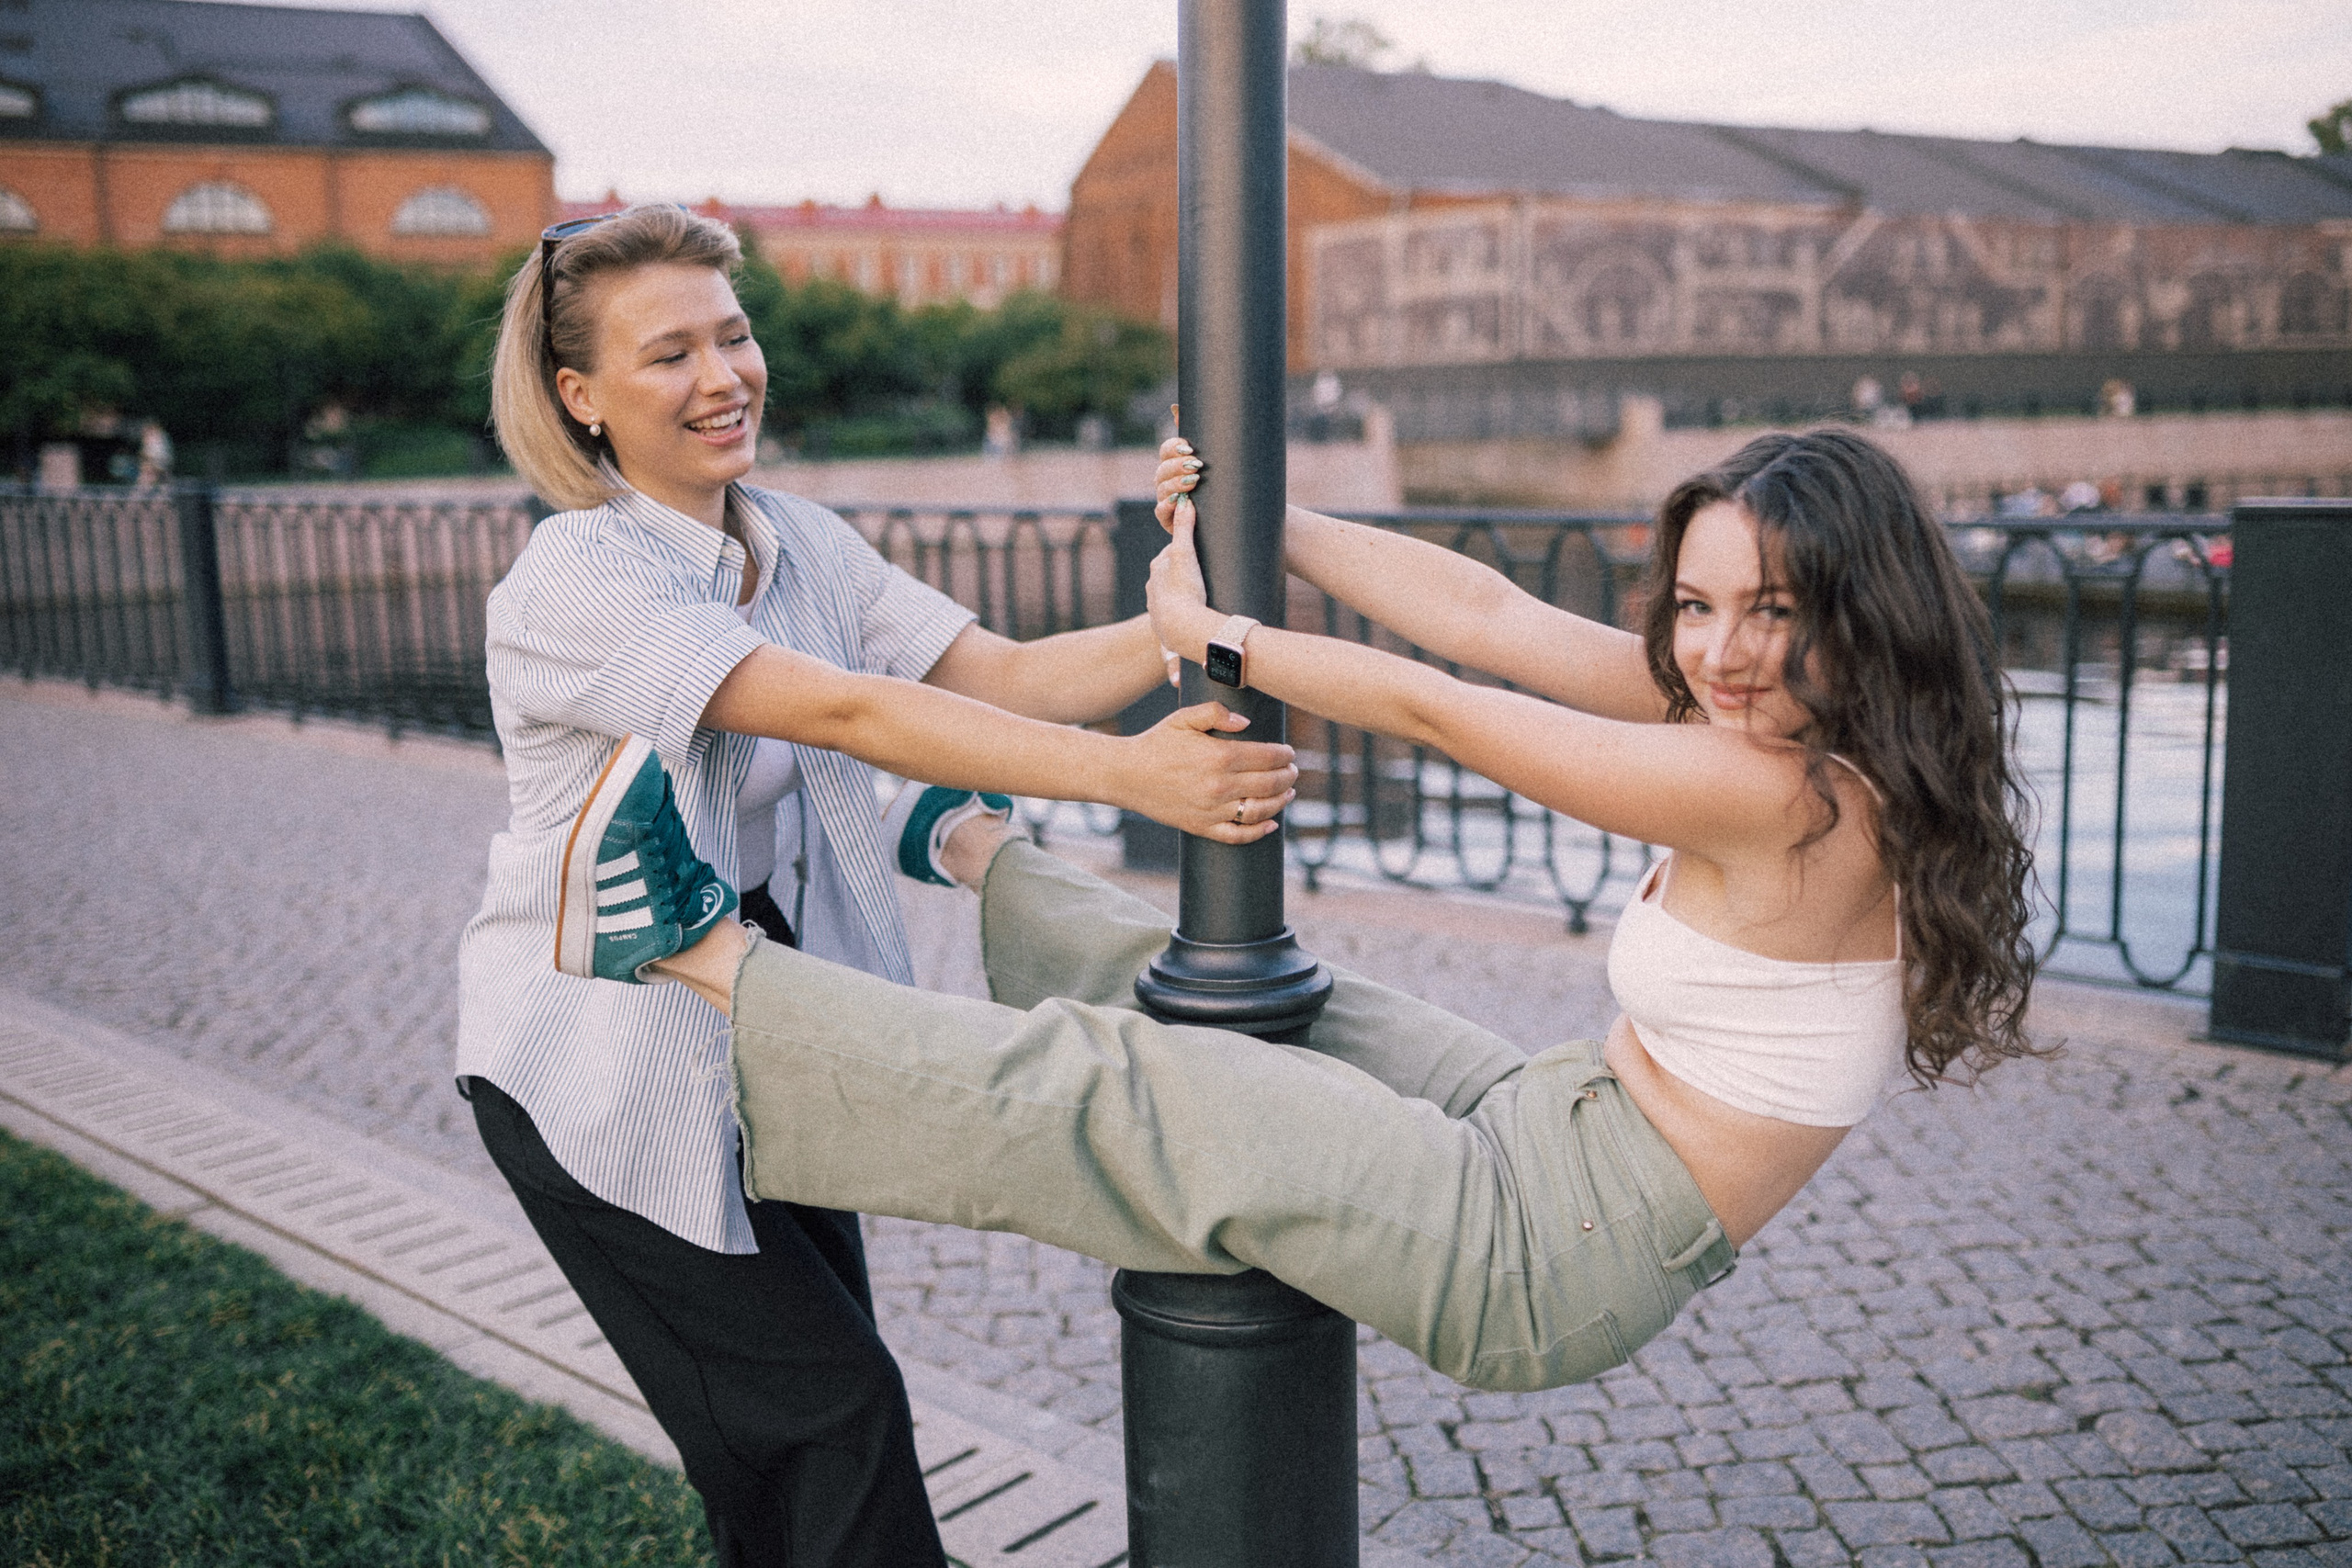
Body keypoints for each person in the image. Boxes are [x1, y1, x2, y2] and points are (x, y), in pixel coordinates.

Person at [555, 424, 2040, 1395]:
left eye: (1769, 609)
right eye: (1697, 603)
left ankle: (699, 955)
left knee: (1150, 1092)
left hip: (1555, 1248)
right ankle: (980, 855)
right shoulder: (1783, 722)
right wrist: (1278, 515)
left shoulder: (1802, 804)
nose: (1716, 648)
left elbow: (1443, 710)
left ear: (1862, 606)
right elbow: (1492, 620)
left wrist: (1218, 635)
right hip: (1563, 1119)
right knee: (1267, 988)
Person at [456, 204, 1297, 1568]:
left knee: (789, 1450)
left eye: (733, 334)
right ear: (581, 397)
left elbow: (1004, 677)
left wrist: (1188, 599)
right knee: (826, 1419)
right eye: (669, 353)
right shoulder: (576, 580)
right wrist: (1125, 779)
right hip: (600, 1067)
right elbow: (848, 714)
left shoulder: (797, 538)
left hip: (766, 1021)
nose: (724, 377)